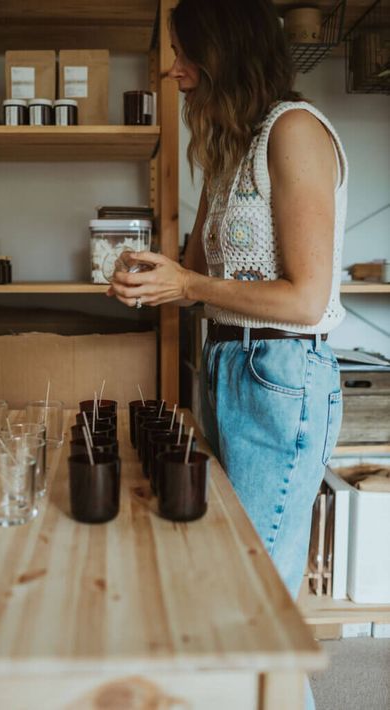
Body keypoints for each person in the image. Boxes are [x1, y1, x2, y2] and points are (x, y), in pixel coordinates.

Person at [108, 2, 347, 703]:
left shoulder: (293, 132)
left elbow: (306, 299)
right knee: (226, 590)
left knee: (255, 611)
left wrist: (188, 282)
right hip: (225, 366)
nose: (174, 68)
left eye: (186, 52)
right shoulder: (228, 146)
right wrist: (153, 279)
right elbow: (197, 282)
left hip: (279, 375)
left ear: (230, 50)